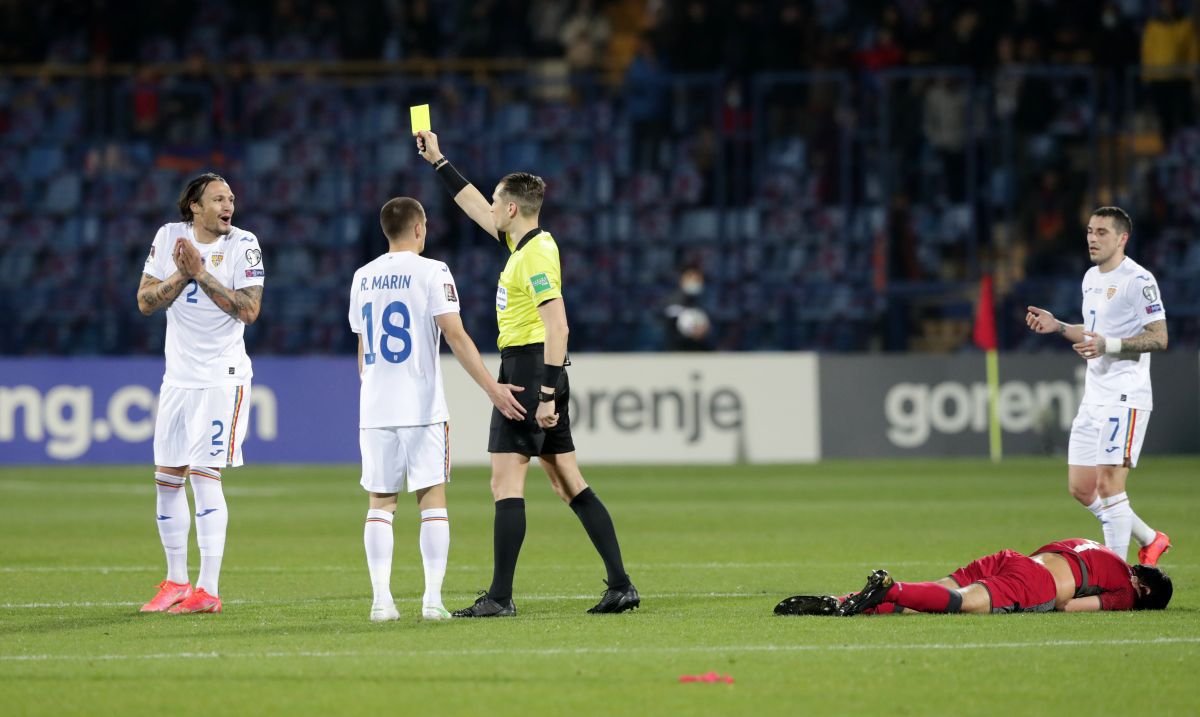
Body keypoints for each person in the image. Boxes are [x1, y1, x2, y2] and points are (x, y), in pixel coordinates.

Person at [415, 129, 639, 617]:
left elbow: (558, 325)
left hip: (529, 368)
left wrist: (546, 393)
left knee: (504, 483)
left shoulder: (534, 256)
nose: (491, 207)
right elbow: (475, 206)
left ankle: (499, 597)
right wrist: (438, 161)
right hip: (537, 368)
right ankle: (621, 585)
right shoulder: (527, 245)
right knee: (566, 480)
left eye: (498, 201)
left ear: (512, 209)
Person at [348, 197, 526, 622]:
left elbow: (361, 347)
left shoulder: (362, 276)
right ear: (419, 228)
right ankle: (431, 600)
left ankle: (380, 601)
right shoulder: (433, 271)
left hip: (374, 407)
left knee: (380, 504)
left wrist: (371, 389)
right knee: (432, 501)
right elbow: (456, 335)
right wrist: (491, 387)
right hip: (422, 406)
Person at [135, 173, 265, 614]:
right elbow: (146, 301)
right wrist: (181, 274)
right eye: (218, 199)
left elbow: (249, 311)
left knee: (205, 475)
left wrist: (202, 274)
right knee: (167, 479)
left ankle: (207, 589)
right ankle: (175, 581)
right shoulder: (169, 237)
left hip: (221, 377)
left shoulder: (244, 244)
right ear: (195, 206)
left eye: (231, 197)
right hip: (178, 378)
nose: (229, 205)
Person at [1024, 207, 1171, 566]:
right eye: (1090, 230)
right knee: (1082, 488)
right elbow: (1093, 335)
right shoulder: (1090, 278)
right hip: (1094, 397)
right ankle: (1151, 539)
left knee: (1109, 486)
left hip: (1126, 397)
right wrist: (1058, 326)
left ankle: (1115, 577)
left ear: (1122, 238)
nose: (1092, 238)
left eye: (1102, 232)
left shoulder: (1139, 280)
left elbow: (1160, 337)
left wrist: (1110, 345)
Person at [775, 537, 1173, 616]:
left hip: (1013, 557)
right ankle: (887, 589)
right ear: (1145, 591)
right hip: (1038, 583)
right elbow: (1070, 605)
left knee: (937, 595)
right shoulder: (1125, 592)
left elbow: (1050, 548)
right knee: (965, 603)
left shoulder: (1094, 544)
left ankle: (843, 603)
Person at [662, 265, 713, 351]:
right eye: (691, 278)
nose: (694, 282)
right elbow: (669, 323)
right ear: (682, 280)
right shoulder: (673, 300)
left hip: (700, 349)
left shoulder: (704, 300)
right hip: (677, 350)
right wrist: (692, 330)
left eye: (697, 279)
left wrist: (703, 329)